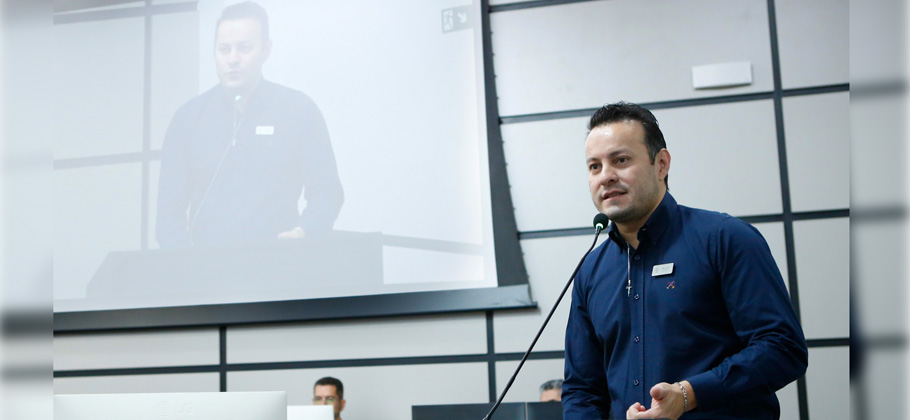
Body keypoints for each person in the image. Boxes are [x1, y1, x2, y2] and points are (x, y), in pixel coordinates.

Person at [562, 102, 808, 419]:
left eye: (621, 160)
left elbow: (782, 348)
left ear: (661, 164)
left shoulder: (724, 238)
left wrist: (688, 395)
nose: (606, 176)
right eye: (594, 166)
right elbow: (582, 390)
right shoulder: (590, 271)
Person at [156, 1, 343, 248]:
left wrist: (304, 232)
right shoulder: (188, 118)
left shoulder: (298, 110)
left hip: (278, 260)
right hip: (206, 265)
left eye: (244, 48)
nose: (233, 59)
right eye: (224, 49)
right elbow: (168, 213)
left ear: (266, 50)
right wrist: (183, 257)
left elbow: (327, 192)